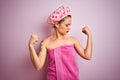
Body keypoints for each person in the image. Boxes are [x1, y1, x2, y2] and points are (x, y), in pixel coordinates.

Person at [28, 6, 93, 80]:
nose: (69, 28)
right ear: (56, 24)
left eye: (70, 25)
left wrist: (89, 35)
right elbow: (38, 66)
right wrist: (31, 46)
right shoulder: (46, 42)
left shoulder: (72, 40)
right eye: (66, 25)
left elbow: (88, 56)